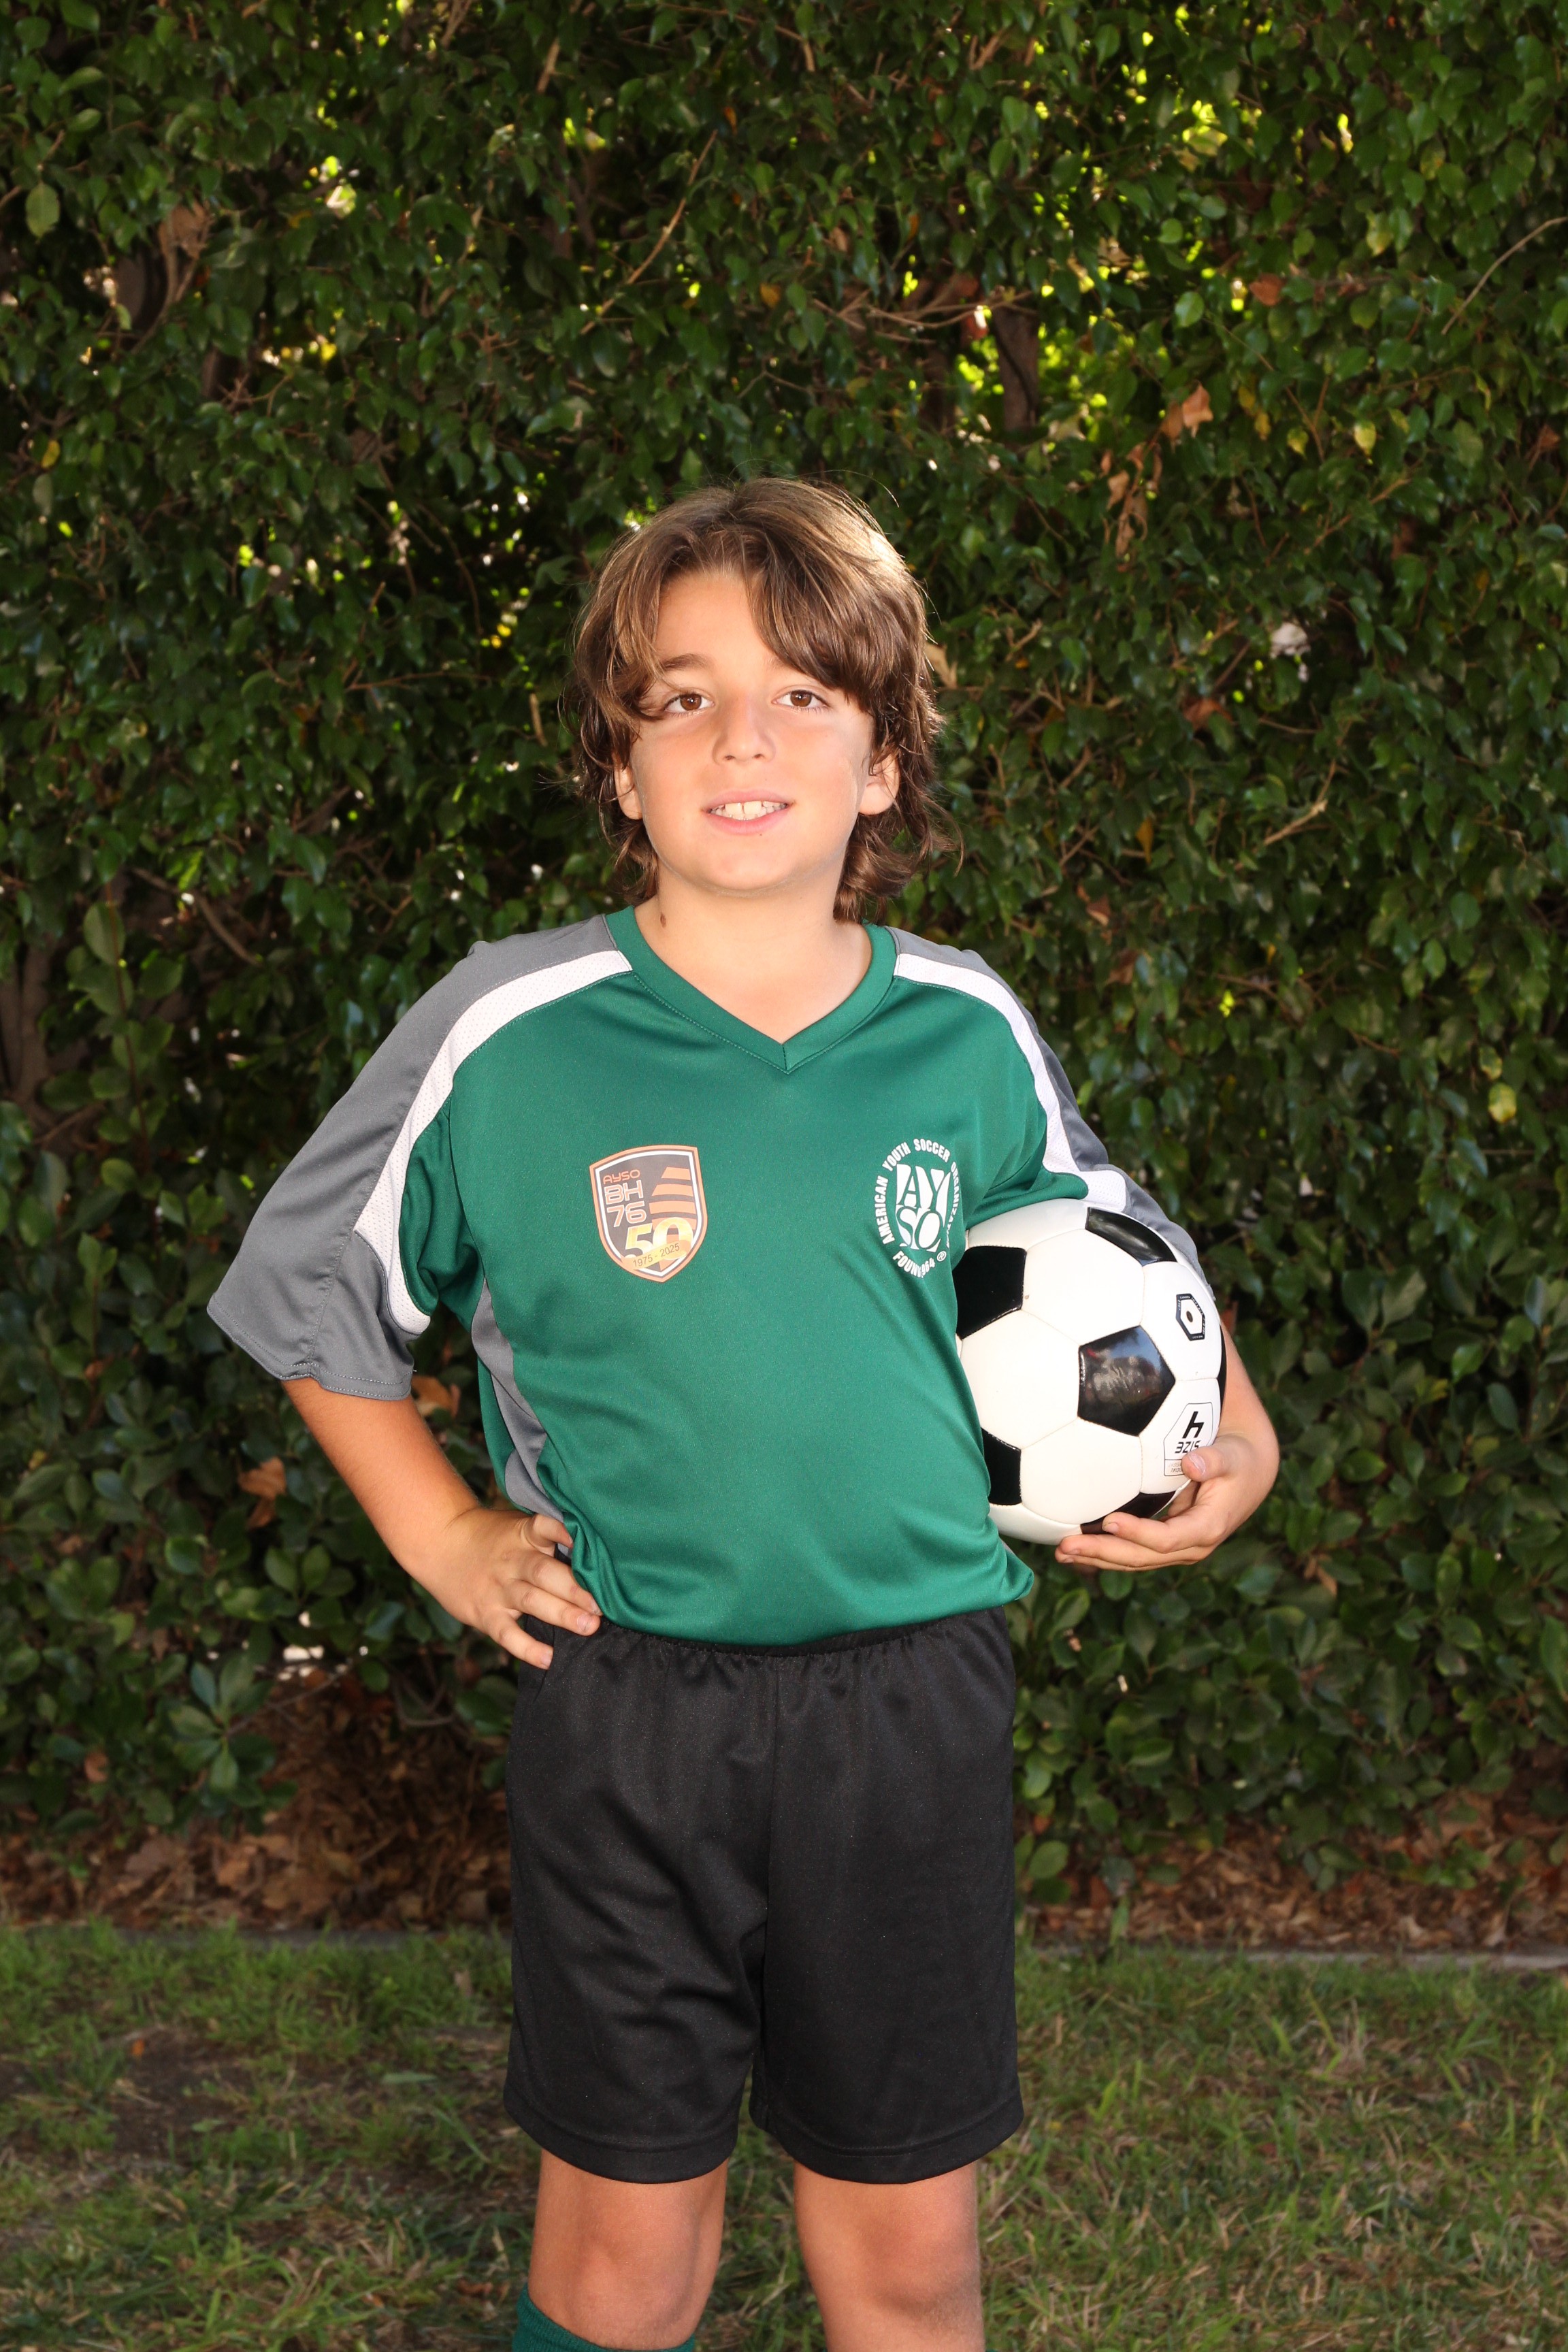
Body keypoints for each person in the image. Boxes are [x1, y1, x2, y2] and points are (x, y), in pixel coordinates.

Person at [210, 478, 1278, 2352]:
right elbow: (310, 1291)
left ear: (884, 763)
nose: (743, 738)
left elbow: (1126, 1257)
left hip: (916, 1702)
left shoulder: (964, 1028)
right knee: (628, 2259)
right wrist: (443, 1532)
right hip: (632, 1707)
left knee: (910, 2263)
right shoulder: (506, 1029)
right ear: (618, 766)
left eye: (803, 694)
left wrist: (1240, 1446)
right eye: (684, 697)